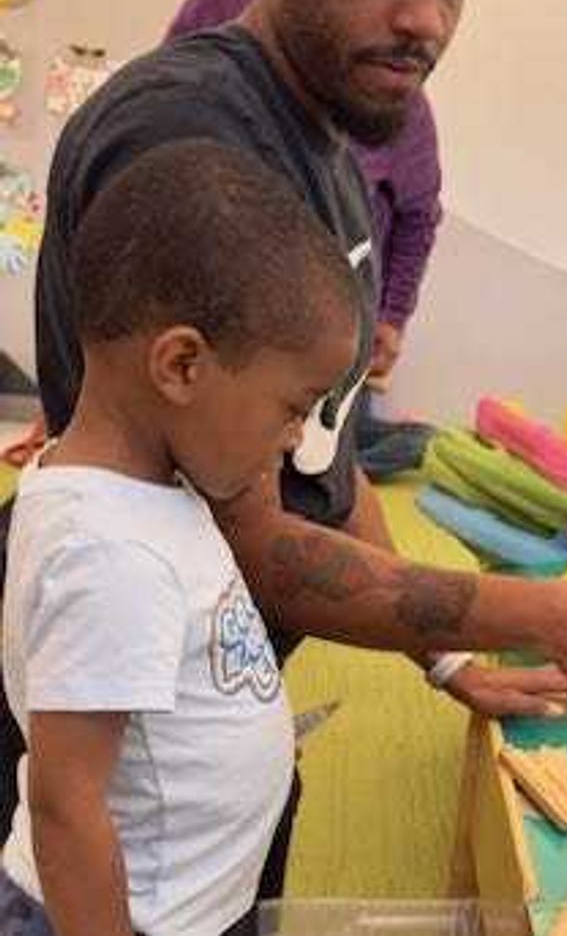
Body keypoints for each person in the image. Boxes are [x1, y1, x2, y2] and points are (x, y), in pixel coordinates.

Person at [24, 0, 567, 901]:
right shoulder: (191, 148)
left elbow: (322, 472)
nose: (425, 18)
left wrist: (443, 654)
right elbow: (257, 541)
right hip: (118, 820)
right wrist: (540, 615)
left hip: (213, 776)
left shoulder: (335, 153)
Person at [1, 142, 362, 936]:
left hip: (185, 905)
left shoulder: (152, 487)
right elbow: (67, 806)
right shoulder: (113, 553)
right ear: (182, 364)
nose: (299, 438)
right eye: (293, 406)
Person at [166, 0, 440, 478]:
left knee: (321, 472)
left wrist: (391, 316)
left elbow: (418, 215)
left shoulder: (394, 98)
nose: (428, 19)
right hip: (219, 332)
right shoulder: (211, 22)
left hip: (333, 344)